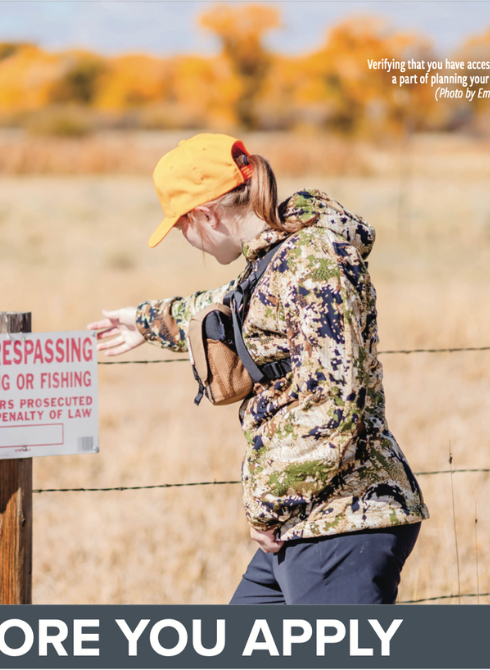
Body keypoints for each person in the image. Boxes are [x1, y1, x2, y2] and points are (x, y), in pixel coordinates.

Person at [87, 133, 428, 605]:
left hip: (345, 517)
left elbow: (333, 401)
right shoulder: (274, 258)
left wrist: (269, 504)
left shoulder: (312, 263)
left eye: (180, 226)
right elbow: (229, 306)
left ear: (205, 215)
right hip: (305, 514)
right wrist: (145, 321)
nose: (185, 241)